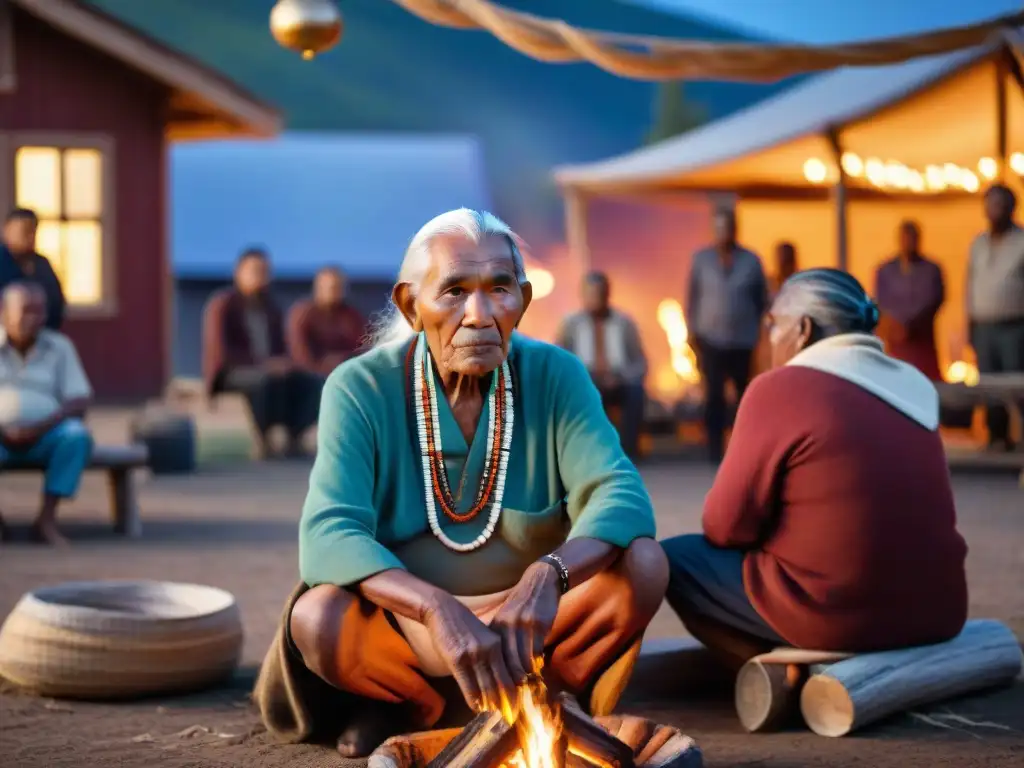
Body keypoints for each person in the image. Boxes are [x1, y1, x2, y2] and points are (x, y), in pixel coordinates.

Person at [254, 209, 667, 758]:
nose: (480, 314)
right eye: (454, 292)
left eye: (500, 289)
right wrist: (434, 607)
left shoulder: (556, 373)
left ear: (521, 299)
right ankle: (421, 709)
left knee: (643, 564)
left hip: (534, 630)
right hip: (409, 630)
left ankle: (545, 700)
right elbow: (329, 533)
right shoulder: (359, 387)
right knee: (318, 617)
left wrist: (550, 574)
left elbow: (620, 496)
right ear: (410, 304)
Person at [661, 269, 967, 671]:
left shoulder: (779, 388)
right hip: (938, 610)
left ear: (803, 329)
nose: (768, 338)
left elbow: (724, 526)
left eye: (774, 324)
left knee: (674, 560)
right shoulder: (916, 386)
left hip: (841, 618)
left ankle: (780, 670)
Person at [0, 282, 93, 546]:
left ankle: (46, 520)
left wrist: (39, 427)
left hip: (46, 434)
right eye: (26, 310)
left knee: (77, 436)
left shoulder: (60, 346)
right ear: (3, 312)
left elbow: (79, 399)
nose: (33, 318)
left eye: (39, 311)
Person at [202, 247, 317, 457]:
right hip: (231, 371)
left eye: (264, 271)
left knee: (311, 382)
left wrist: (284, 363)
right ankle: (263, 440)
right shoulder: (223, 304)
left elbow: (283, 347)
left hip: (268, 368)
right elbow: (222, 352)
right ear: (239, 272)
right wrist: (263, 364)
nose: (260, 276)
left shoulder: (271, 307)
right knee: (264, 380)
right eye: (254, 270)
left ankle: (295, 437)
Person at [686, 207, 768, 462]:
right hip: (710, 339)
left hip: (743, 340)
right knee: (714, 397)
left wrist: (760, 335)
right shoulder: (701, 260)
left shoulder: (751, 261)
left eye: (728, 227)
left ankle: (743, 449)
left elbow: (761, 300)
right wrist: (692, 332)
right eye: (718, 227)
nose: (724, 233)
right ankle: (713, 452)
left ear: (735, 229)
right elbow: (692, 298)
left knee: (744, 398)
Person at [555, 272, 647, 459]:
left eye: (599, 293)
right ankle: (583, 453)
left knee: (636, 392)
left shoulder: (624, 323)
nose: (595, 299)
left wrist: (622, 377)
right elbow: (559, 360)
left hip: (619, 379)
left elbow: (640, 362)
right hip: (585, 379)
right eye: (591, 294)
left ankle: (628, 452)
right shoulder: (570, 324)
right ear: (583, 295)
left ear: (608, 294)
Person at [967, 184, 1024, 452]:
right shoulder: (978, 244)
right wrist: (970, 324)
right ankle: (996, 437)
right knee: (988, 384)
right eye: (990, 205)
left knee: (1016, 382)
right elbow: (970, 284)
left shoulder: (1022, 242)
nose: (994, 211)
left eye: (999, 205)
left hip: (1014, 326)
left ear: (1011, 208)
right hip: (984, 326)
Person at [874, 220, 945, 381]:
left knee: (924, 380)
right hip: (895, 342)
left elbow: (933, 300)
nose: (908, 242)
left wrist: (911, 325)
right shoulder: (885, 271)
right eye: (905, 238)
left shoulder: (931, 270)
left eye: (912, 238)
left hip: (922, 341)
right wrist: (893, 326)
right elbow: (881, 302)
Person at [286, 266, 367, 377]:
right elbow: (300, 354)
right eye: (329, 287)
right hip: (310, 376)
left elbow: (362, 347)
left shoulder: (351, 315)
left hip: (346, 371)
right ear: (318, 287)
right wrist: (323, 367)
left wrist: (343, 361)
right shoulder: (302, 313)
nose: (333, 292)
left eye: (338, 287)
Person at [0, 209, 65, 330]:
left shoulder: (41, 264)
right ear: (7, 230)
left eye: (33, 231)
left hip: (40, 337)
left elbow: (56, 302)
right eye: (23, 231)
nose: (30, 237)